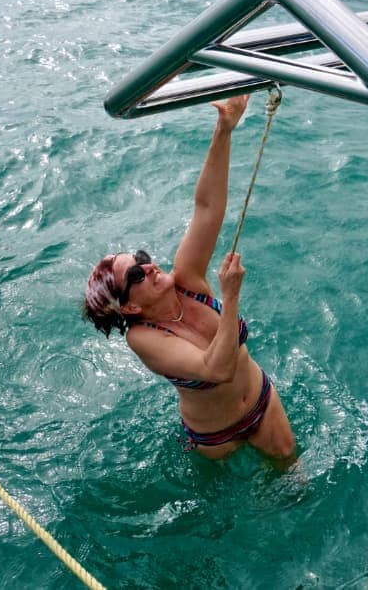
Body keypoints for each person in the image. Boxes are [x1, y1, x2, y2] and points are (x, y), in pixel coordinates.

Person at [83, 95, 297, 465]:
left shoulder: (187, 280)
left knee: (295, 481)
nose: (149, 267)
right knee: (222, 517)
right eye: (136, 273)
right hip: (215, 433)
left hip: (262, 399)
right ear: (130, 305)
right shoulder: (143, 337)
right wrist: (230, 299)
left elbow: (207, 209)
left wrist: (224, 129)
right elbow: (216, 368)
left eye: (144, 259)